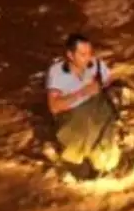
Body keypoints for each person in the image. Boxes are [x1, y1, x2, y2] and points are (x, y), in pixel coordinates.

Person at [46, 33, 122, 175]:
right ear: (70, 55)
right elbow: (54, 107)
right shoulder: (57, 73)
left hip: (98, 122)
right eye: (82, 54)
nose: (88, 58)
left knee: (109, 168)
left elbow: (111, 86)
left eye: (89, 53)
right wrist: (83, 92)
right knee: (78, 173)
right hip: (74, 126)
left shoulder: (97, 66)